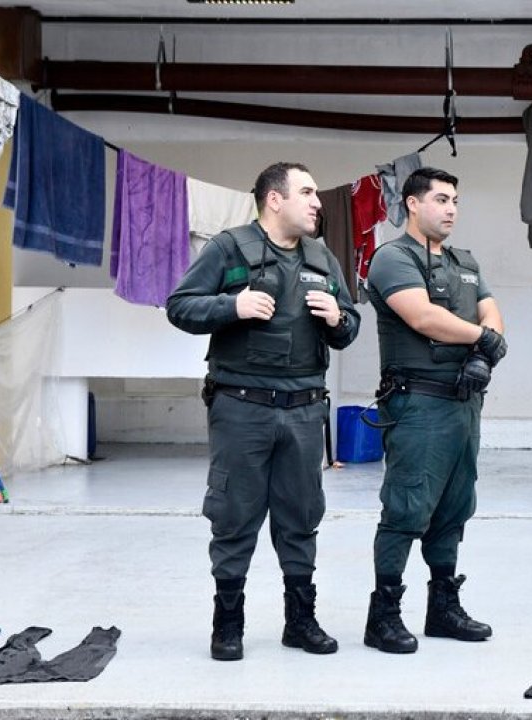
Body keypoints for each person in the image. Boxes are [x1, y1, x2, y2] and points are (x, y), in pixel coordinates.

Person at [166, 162, 360, 661]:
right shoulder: (228, 248)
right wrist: (233, 307)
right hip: (242, 409)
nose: (317, 202)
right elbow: (180, 305)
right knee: (233, 516)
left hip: (304, 411)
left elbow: (349, 326)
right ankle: (228, 624)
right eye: (307, 192)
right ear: (275, 199)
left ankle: (300, 621)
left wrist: (339, 318)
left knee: (302, 516)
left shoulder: (322, 257)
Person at [362, 167, 506, 654]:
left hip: (464, 403)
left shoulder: (465, 261)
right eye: (441, 199)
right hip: (418, 404)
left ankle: (443, 608)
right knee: (407, 507)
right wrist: (484, 339)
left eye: (455, 201)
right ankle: (383, 615)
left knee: (454, 508)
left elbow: (491, 309)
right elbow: (423, 317)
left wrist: (484, 351)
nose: (451, 210)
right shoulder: (393, 258)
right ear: (412, 203)